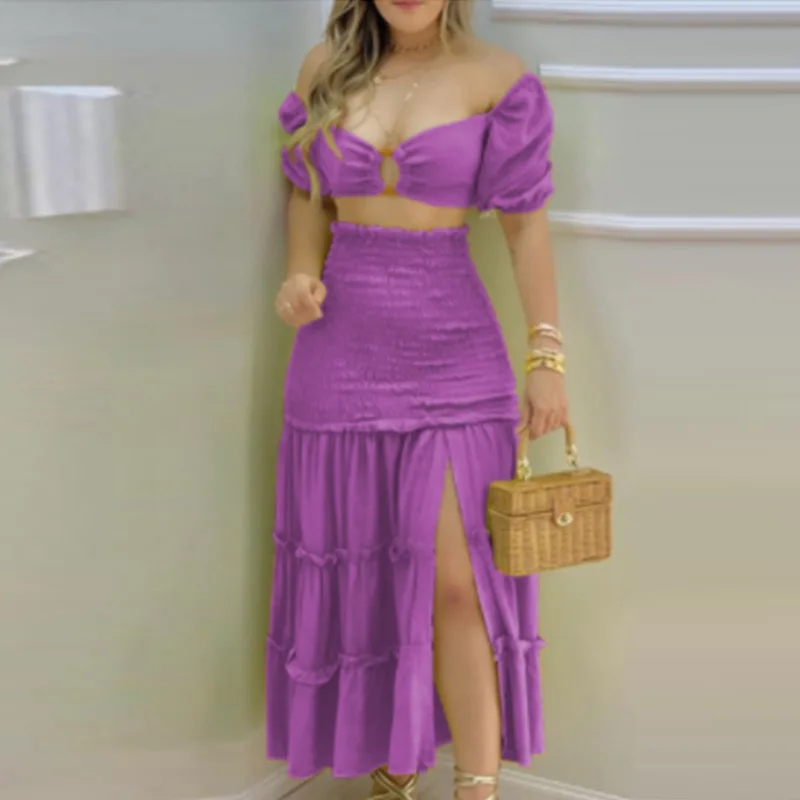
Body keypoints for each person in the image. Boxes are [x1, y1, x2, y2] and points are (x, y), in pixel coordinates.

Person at [267, 1, 569, 798]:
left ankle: (476, 786)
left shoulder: (497, 78)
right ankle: (393, 767)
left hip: (456, 357)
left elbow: (525, 229)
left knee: (459, 583)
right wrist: (299, 275)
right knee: (367, 576)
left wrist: (547, 353)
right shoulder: (325, 69)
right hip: (338, 351)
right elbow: (307, 197)